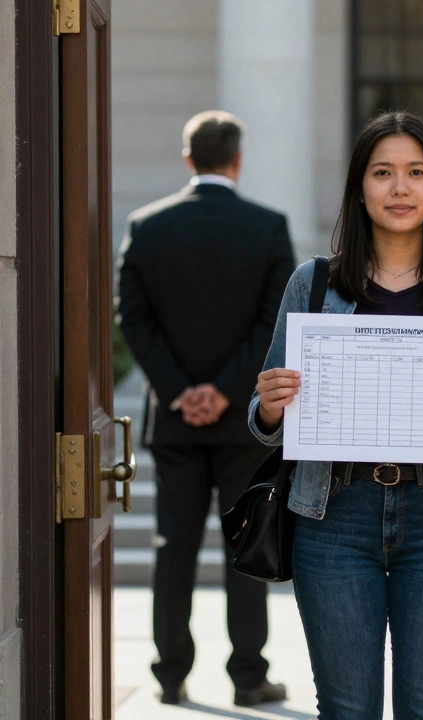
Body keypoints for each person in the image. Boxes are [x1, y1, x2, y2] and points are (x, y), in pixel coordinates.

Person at [248, 111, 423, 719]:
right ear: (359, 187)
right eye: (383, 173)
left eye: (416, 173)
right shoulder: (313, 284)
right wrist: (270, 405)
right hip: (334, 517)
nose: (400, 189)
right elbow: (261, 416)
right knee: (347, 709)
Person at [116, 110, 294, 707]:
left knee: (174, 548)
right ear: (237, 160)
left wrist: (179, 389)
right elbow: (275, 323)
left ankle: (170, 676)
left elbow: (132, 320)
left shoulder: (146, 226)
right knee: (248, 544)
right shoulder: (268, 227)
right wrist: (223, 389)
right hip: (244, 420)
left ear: (188, 158)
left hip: (174, 420)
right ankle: (249, 677)